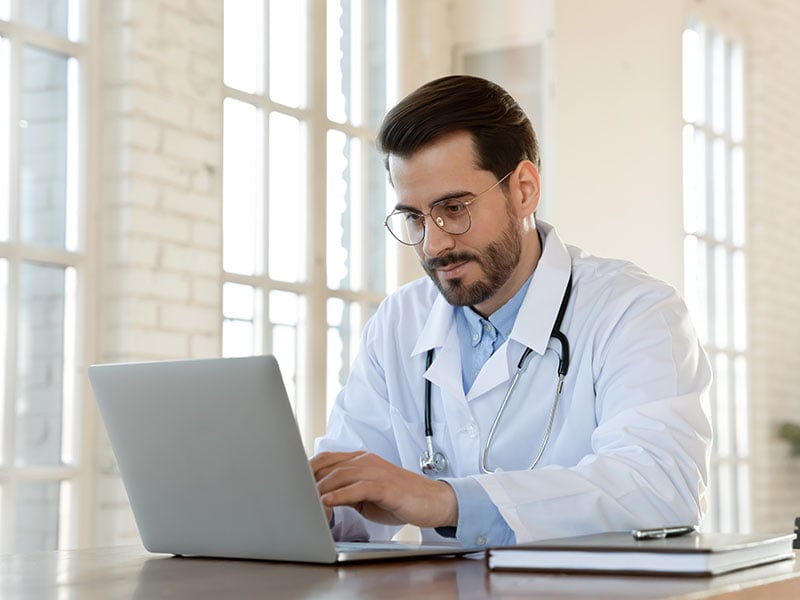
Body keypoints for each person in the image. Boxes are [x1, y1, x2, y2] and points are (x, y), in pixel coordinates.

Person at [311, 74, 713, 548]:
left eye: (454, 208)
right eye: (414, 218)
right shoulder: (399, 322)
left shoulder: (634, 311)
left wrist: (447, 501)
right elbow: (350, 491)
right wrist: (305, 509)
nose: (434, 243)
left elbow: (658, 485)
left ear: (523, 189)